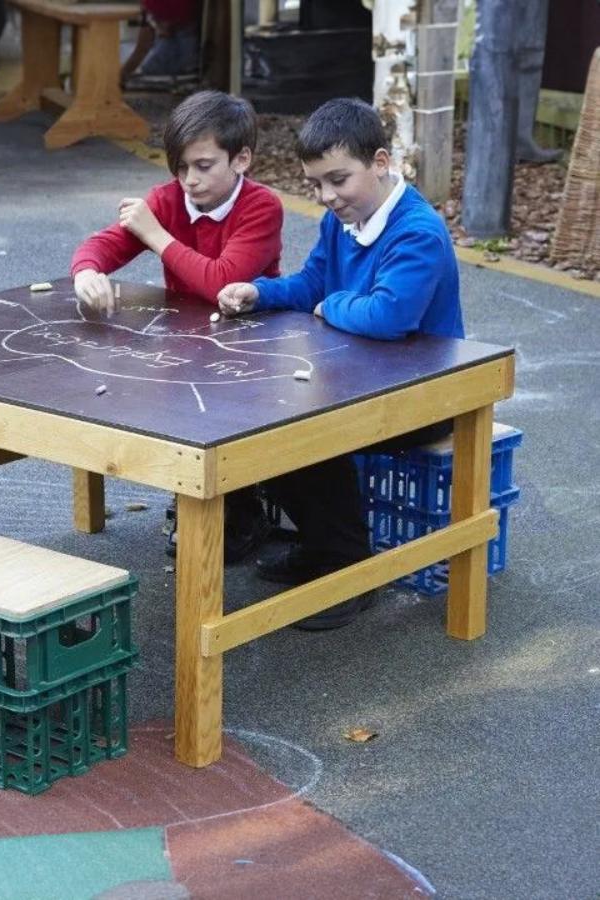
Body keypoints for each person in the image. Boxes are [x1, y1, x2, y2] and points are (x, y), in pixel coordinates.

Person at [217, 96, 464, 629]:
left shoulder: (417, 231)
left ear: (379, 162)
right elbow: (312, 282)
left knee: (307, 433)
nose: (327, 196)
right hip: (364, 376)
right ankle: (320, 547)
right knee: (261, 413)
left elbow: (388, 315)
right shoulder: (345, 218)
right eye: (316, 184)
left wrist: (332, 305)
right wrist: (259, 292)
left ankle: (348, 569)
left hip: (427, 394)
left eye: (338, 180)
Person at [71, 89, 283, 562]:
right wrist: (87, 271)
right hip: (188, 338)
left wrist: (154, 234)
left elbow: (222, 282)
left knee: (231, 423)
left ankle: (245, 506)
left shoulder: (262, 206)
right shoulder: (167, 200)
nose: (190, 180)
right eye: (180, 167)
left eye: (204, 166)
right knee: (171, 407)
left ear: (241, 158)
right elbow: (103, 245)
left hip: (253, 340)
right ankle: (198, 503)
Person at [120, 0, 202, 86]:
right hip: (193, 41)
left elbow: (144, 45)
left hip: (185, 49)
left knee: (150, 70)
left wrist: (123, 73)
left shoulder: (151, 4)